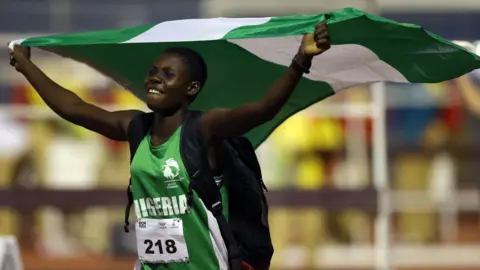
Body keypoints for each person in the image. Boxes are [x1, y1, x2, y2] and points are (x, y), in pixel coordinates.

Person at [8, 21, 331, 270]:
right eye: (152, 72)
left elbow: (261, 110)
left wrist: (300, 61)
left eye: (167, 74)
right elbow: (74, 109)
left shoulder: (203, 130)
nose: (154, 78)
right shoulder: (136, 127)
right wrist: (26, 66)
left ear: (191, 88)